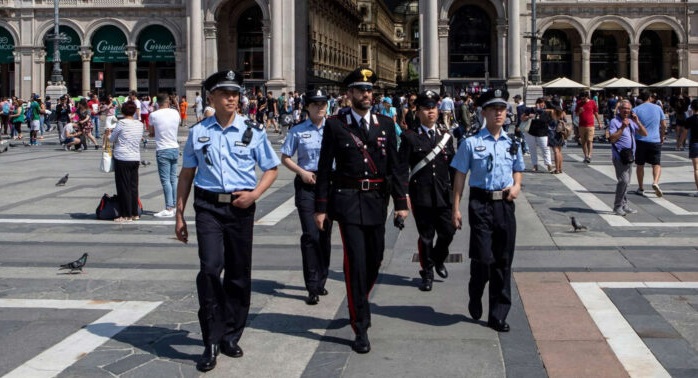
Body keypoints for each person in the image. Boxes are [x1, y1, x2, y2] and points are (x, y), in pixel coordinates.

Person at [175, 69, 280, 372]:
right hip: (208, 206)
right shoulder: (199, 132)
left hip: (240, 207)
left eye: (235, 93)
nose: (233, 98)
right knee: (209, 268)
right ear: (211, 97)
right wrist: (179, 215)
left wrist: (255, 194)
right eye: (225, 93)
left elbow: (271, 168)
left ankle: (231, 334)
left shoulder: (253, 130)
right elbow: (186, 175)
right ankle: (210, 339)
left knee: (237, 273)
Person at [314, 67, 409, 354]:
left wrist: (401, 203)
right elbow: (324, 167)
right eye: (360, 90)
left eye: (370, 90)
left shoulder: (385, 123)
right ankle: (360, 325)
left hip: (377, 201)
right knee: (355, 263)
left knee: (376, 258)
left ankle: (359, 302)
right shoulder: (335, 125)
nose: (367, 94)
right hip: (348, 201)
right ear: (350, 94)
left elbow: (395, 166)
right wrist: (321, 208)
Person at [451, 89, 525, 333]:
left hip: (504, 204)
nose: (499, 113)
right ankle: (475, 291)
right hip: (480, 203)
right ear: (483, 112)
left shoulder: (512, 142)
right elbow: (460, 175)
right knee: (483, 258)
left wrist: (516, 186)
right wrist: (456, 208)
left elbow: (518, 168)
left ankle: (498, 314)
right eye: (494, 109)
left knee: (503, 260)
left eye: (502, 109)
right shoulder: (471, 143)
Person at [398, 90, 456, 292]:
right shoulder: (410, 137)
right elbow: (401, 169)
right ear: (418, 111)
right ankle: (427, 271)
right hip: (420, 193)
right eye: (426, 108)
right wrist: (402, 198)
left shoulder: (446, 137)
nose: (431, 112)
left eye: (434, 108)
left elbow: (453, 169)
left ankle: (438, 258)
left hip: (443, 193)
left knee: (448, 231)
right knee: (426, 236)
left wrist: (456, 197)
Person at [280, 89, 332, 305]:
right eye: (315, 104)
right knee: (311, 234)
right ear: (307, 107)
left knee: (325, 235)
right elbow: (285, 157)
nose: (320, 108)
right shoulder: (298, 130)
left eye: (323, 104)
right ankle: (311, 285)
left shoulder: (333, 129)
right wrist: (301, 171)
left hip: (329, 185)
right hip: (307, 184)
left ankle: (322, 278)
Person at [608, 100, 648, 216]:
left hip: (630, 156)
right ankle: (617, 206)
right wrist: (622, 127)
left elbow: (645, 133)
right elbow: (612, 139)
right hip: (620, 156)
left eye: (628, 109)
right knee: (623, 181)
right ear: (619, 110)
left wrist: (637, 121)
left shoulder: (631, 121)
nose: (626, 111)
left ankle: (624, 205)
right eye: (624, 109)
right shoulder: (614, 122)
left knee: (627, 182)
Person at [106, 101, 143, 222]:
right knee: (133, 186)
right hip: (135, 157)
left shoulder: (121, 123)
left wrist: (108, 134)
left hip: (122, 157)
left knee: (123, 187)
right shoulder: (139, 124)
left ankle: (125, 214)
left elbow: (112, 139)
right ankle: (134, 213)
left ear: (123, 111)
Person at [149, 93, 181, 218]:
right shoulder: (175, 113)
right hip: (174, 147)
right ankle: (174, 206)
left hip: (162, 149)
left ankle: (169, 207)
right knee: (173, 179)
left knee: (165, 180)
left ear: (158, 103)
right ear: (168, 102)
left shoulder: (154, 114)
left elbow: (151, 132)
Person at [633, 91, 667, 198]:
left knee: (640, 165)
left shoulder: (636, 110)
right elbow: (664, 125)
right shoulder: (658, 108)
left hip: (640, 140)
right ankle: (655, 182)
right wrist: (662, 136)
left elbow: (632, 126)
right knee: (656, 164)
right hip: (655, 140)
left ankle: (641, 187)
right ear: (650, 97)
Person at [523, 98, 552, 172]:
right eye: (540, 103)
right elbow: (522, 118)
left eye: (543, 103)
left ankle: (549, 164)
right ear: (536, 103)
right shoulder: (531, 110)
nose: (542, 104)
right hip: (531, 132)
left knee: (545, 149)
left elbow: (549, 120)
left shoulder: (546, 112)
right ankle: (535, 165)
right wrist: (529, 116)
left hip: (543, 133)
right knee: (532, 149)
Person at [576, 91, 603, 163]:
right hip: (581, 125)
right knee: (583, 142)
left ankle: (589, 156)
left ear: (587, 97)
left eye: (584, 98)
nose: (582, 100)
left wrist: (599, 123)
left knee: (590, 140)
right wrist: (579, 111)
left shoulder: (592, 102)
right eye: (581, 99)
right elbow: (576, 114)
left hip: (590, 125)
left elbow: (596, 113)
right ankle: (586, 156)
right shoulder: (579, 103)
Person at [547, 102, 567, 174]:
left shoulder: (552, 113)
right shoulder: (562, 113)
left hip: (553, 134)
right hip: (560, 134)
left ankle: (557, 169)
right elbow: (565, 120)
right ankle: (560, 168)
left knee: (556, 151)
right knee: (559, 151)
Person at [684, 99, 698, 197]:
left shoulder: (690, 119)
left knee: (696, 169)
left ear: (692, 108)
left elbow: (684, 132)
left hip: (694, 144)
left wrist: (680, 142)